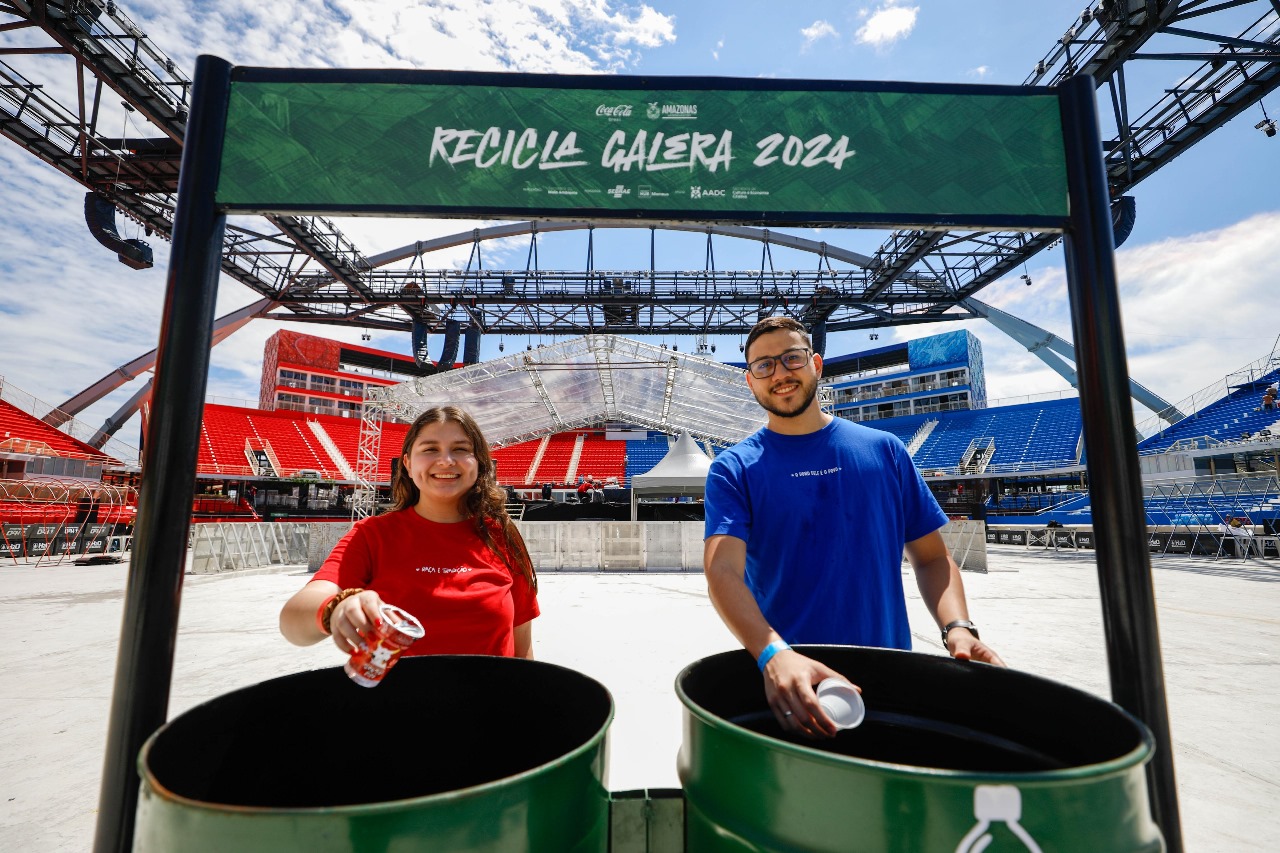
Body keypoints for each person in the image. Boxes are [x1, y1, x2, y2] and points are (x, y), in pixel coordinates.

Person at [703, 317, 1004, 739]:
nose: (780, 373)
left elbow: (933, 558)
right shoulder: (733, 468)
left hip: (890, 673)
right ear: (751, 381)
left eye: (792, 358)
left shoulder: (885, 451)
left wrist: (958, 626)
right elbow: (722, 571)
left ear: (816, 364)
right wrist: (773, 654)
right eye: (764, 365)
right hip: (794, 682)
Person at [280, 405, 538, 659]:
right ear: (408, 464)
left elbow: (522, 647)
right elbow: (293, 624)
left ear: (479, 464)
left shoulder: (502, 536)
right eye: (430, 449)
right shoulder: (372, 535)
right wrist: (336, 607)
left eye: (460, 449)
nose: (446, 461)